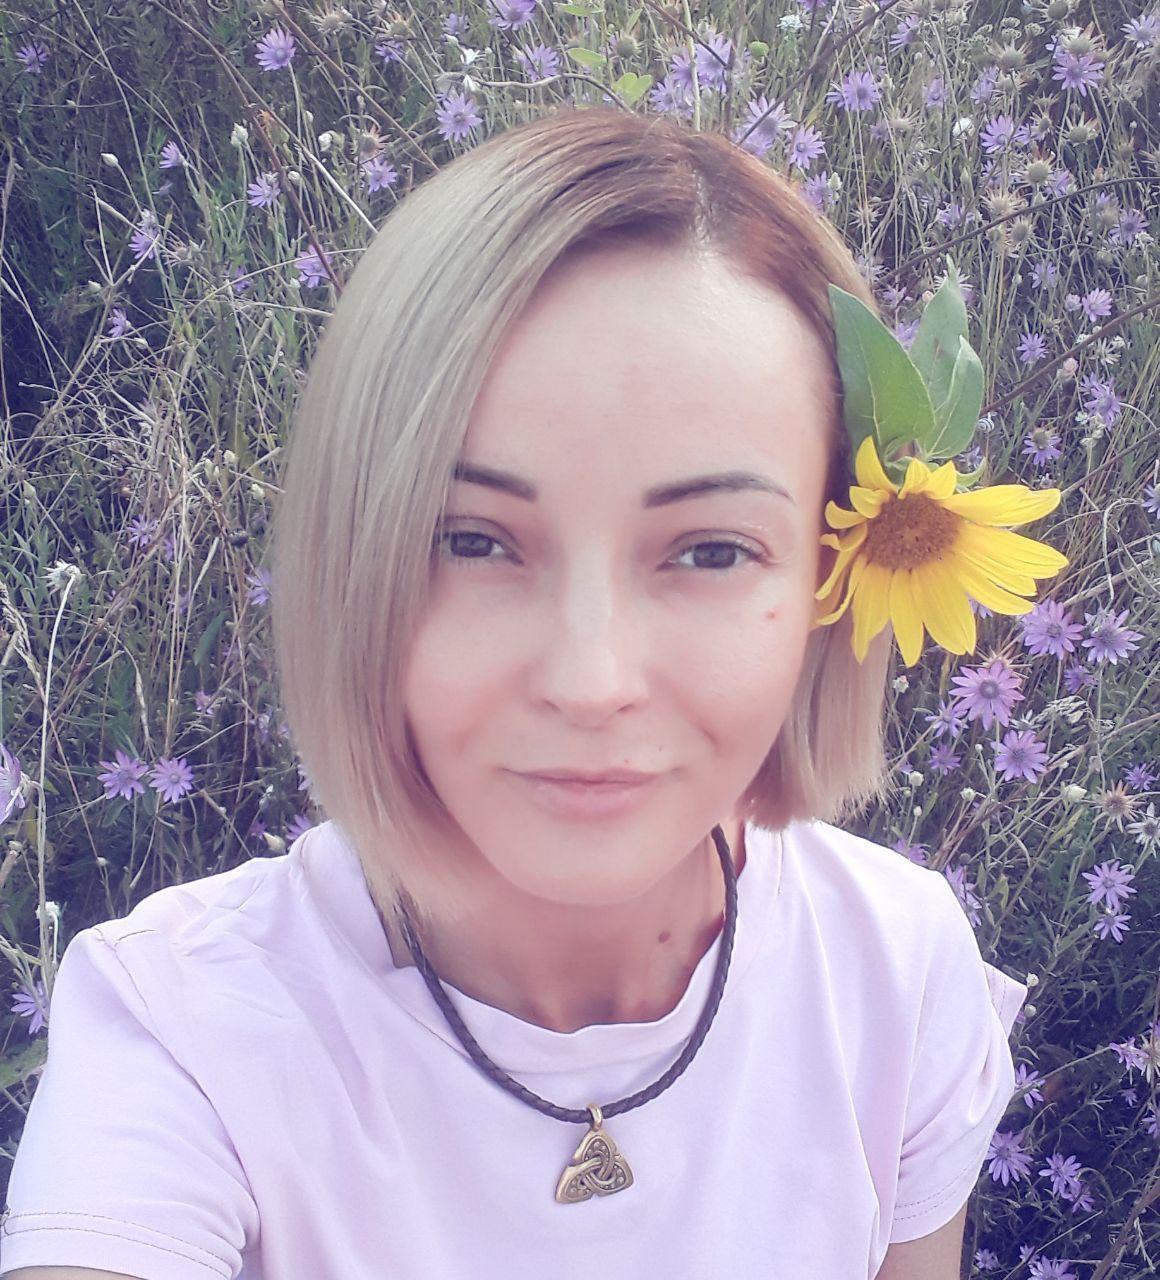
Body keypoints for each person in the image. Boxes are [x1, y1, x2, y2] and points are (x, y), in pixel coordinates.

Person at [1, 105, 1036, 1280]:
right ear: (351, 552)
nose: (590, 683)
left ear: (830, 579)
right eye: (472, 541)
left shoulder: (893, 973)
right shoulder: (178, 1035)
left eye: (708, 549)